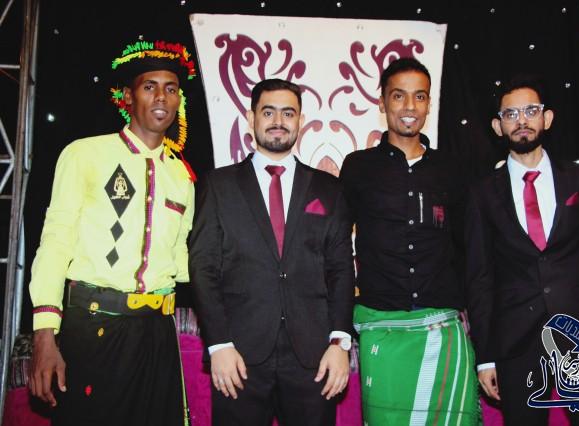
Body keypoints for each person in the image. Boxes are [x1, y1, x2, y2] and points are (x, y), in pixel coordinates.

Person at [28, 40, 196, 426]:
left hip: (158, 333)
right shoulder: (84, 154)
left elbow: (182, 260)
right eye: (149, 86)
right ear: (128, 97)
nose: (162, 97)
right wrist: (44, 333)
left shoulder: (181, 176)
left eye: (171, 89)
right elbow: (55, 242)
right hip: (95, 327)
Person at [465, 74, 579, 425]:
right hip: (516, 343)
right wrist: (485, 357)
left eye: (531, 111)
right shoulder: (481, 194)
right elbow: (480, 279)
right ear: (498, 126)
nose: (522, 121)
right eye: (511, 114)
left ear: (547, 118)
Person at [189, 78, 355, 426]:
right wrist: (219, 344)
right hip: (237, 356)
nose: (278, 121)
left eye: (288, 113)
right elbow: (203, 267)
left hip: (313, 358)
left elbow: (340, 269)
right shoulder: (218, 186)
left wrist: (340, 343)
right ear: (251, 119)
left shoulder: (330, 188)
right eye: (268, 112)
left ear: (300, 121)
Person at [339, 57, 479, 425]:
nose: (410, 107)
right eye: (399, 96)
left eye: (419, 96)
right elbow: (336, 247)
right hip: (381, 327)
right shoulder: (358, 167)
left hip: (443, 328)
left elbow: (470, 249)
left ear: (429, 103)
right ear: (382, 102)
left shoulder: (452, 169)